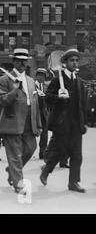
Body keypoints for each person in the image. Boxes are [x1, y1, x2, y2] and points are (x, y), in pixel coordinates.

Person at [40, 49, 88, 193]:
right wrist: (59, 98)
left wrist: (83, 122)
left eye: (76, 60)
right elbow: (47, 97)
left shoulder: (79, 82)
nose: (74, 63)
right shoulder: (58, 79)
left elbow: (82, 105)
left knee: (77, 154)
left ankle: (73, 183)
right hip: (61, 122)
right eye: (71, 60)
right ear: (65, 63)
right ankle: (46, 171)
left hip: (75, 124)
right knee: (61, 151)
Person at [0, 48, 42, 195]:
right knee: (15, 154)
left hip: (29, 121)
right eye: (19, 60)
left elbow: (35, 103)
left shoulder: (30, 80)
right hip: (12, 121)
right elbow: (2, 100)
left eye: (25, 60)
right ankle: (18, 183)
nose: (22, 63)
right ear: (14, 61)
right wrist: (14, 91)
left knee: (31, 148)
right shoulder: (4, 79)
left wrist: (38, 123)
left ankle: (12, 170)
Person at [35, 68, 50, 159]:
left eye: (43, 76)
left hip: (44, 113)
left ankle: (42, 152)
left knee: (44, 134)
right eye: (39, 75)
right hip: (33, 112)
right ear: (36, 76)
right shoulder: (32, 85)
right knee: (30, 133)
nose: (41, 77)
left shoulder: (46, 87)